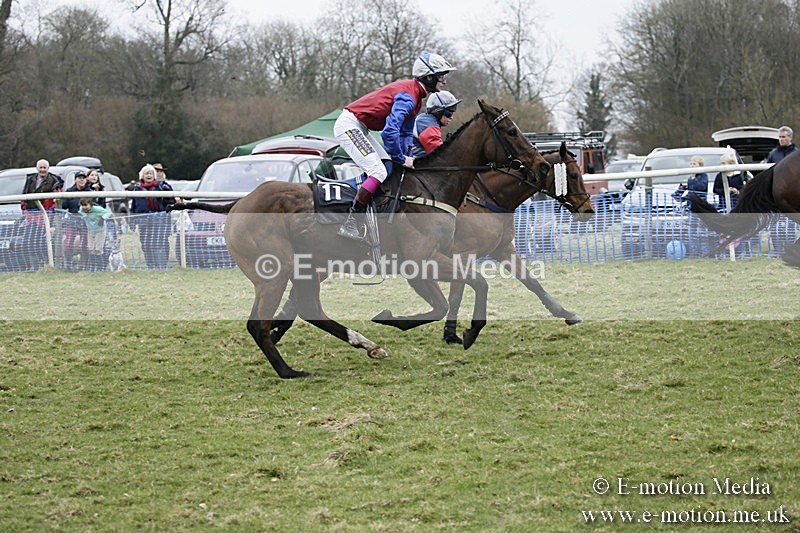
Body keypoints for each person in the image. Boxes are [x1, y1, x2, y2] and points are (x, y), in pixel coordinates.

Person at [334, 51, 456, 240]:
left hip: (360, 127)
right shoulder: (409, 97)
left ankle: (369, 207)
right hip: (349, 125)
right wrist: (400, 157)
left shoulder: (416, 98)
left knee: (388, 166)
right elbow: (390, 132)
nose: (444, 81)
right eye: (441, 76)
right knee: (378, 171)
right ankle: (351, 222)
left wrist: (406, 157)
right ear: (429, 77)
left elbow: (405, 133)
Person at [130, 164, 175, 269]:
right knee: (146, 244)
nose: (149, 175)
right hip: (144, 222)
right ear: (142, 176)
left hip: (159, 221)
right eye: (146, 173)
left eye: (151, 173)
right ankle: (150, 265)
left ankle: (161, 266)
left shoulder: (161, 187)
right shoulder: (137, 189)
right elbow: (134, 206)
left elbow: (170, 202)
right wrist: (132, 221)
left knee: (160, 244)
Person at [20, 159, 63, 268]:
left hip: (46, 217)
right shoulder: (30, 180)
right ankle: (33, 265)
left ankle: (47, 264)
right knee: (28, 242)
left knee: (43, 242)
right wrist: (25, 211)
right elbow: (24, 197)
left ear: (48, 168)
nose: (43, 170)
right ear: (37, 168)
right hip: (30, 216)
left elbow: (55, 201)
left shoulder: (54, 181)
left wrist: (48, 216)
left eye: (45, 168)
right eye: (41, 167)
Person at [411, 90, 461, 157]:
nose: (451, 117)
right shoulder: (428, 125)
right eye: (449, 114)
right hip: (410, 160)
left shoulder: (426, 119)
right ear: (438, 111)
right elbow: (439, 154)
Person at [62, 170, 92, 269]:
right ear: (75, 180)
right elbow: (64, 205)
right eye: (79, 178)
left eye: (83, 178)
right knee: (69, 242)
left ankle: (84, 264)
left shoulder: (90, 192)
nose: (81, 180)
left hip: (86, 219)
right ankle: (68, 264)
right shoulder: (69, 191)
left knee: (85, 243)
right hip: (72, 218)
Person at [78, 198, 112, 271]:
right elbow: (81, 213)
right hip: (90, 230)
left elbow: (108, 213)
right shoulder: (82, 209)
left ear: (90, 204)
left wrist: (102, 218)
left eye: (85, 205)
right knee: (91, 249)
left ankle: (101, 267)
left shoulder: (98, 209)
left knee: (98, 249)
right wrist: (85, 215)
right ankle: (92, 267)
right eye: (82, 205)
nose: (84, 207)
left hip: (100, 230)